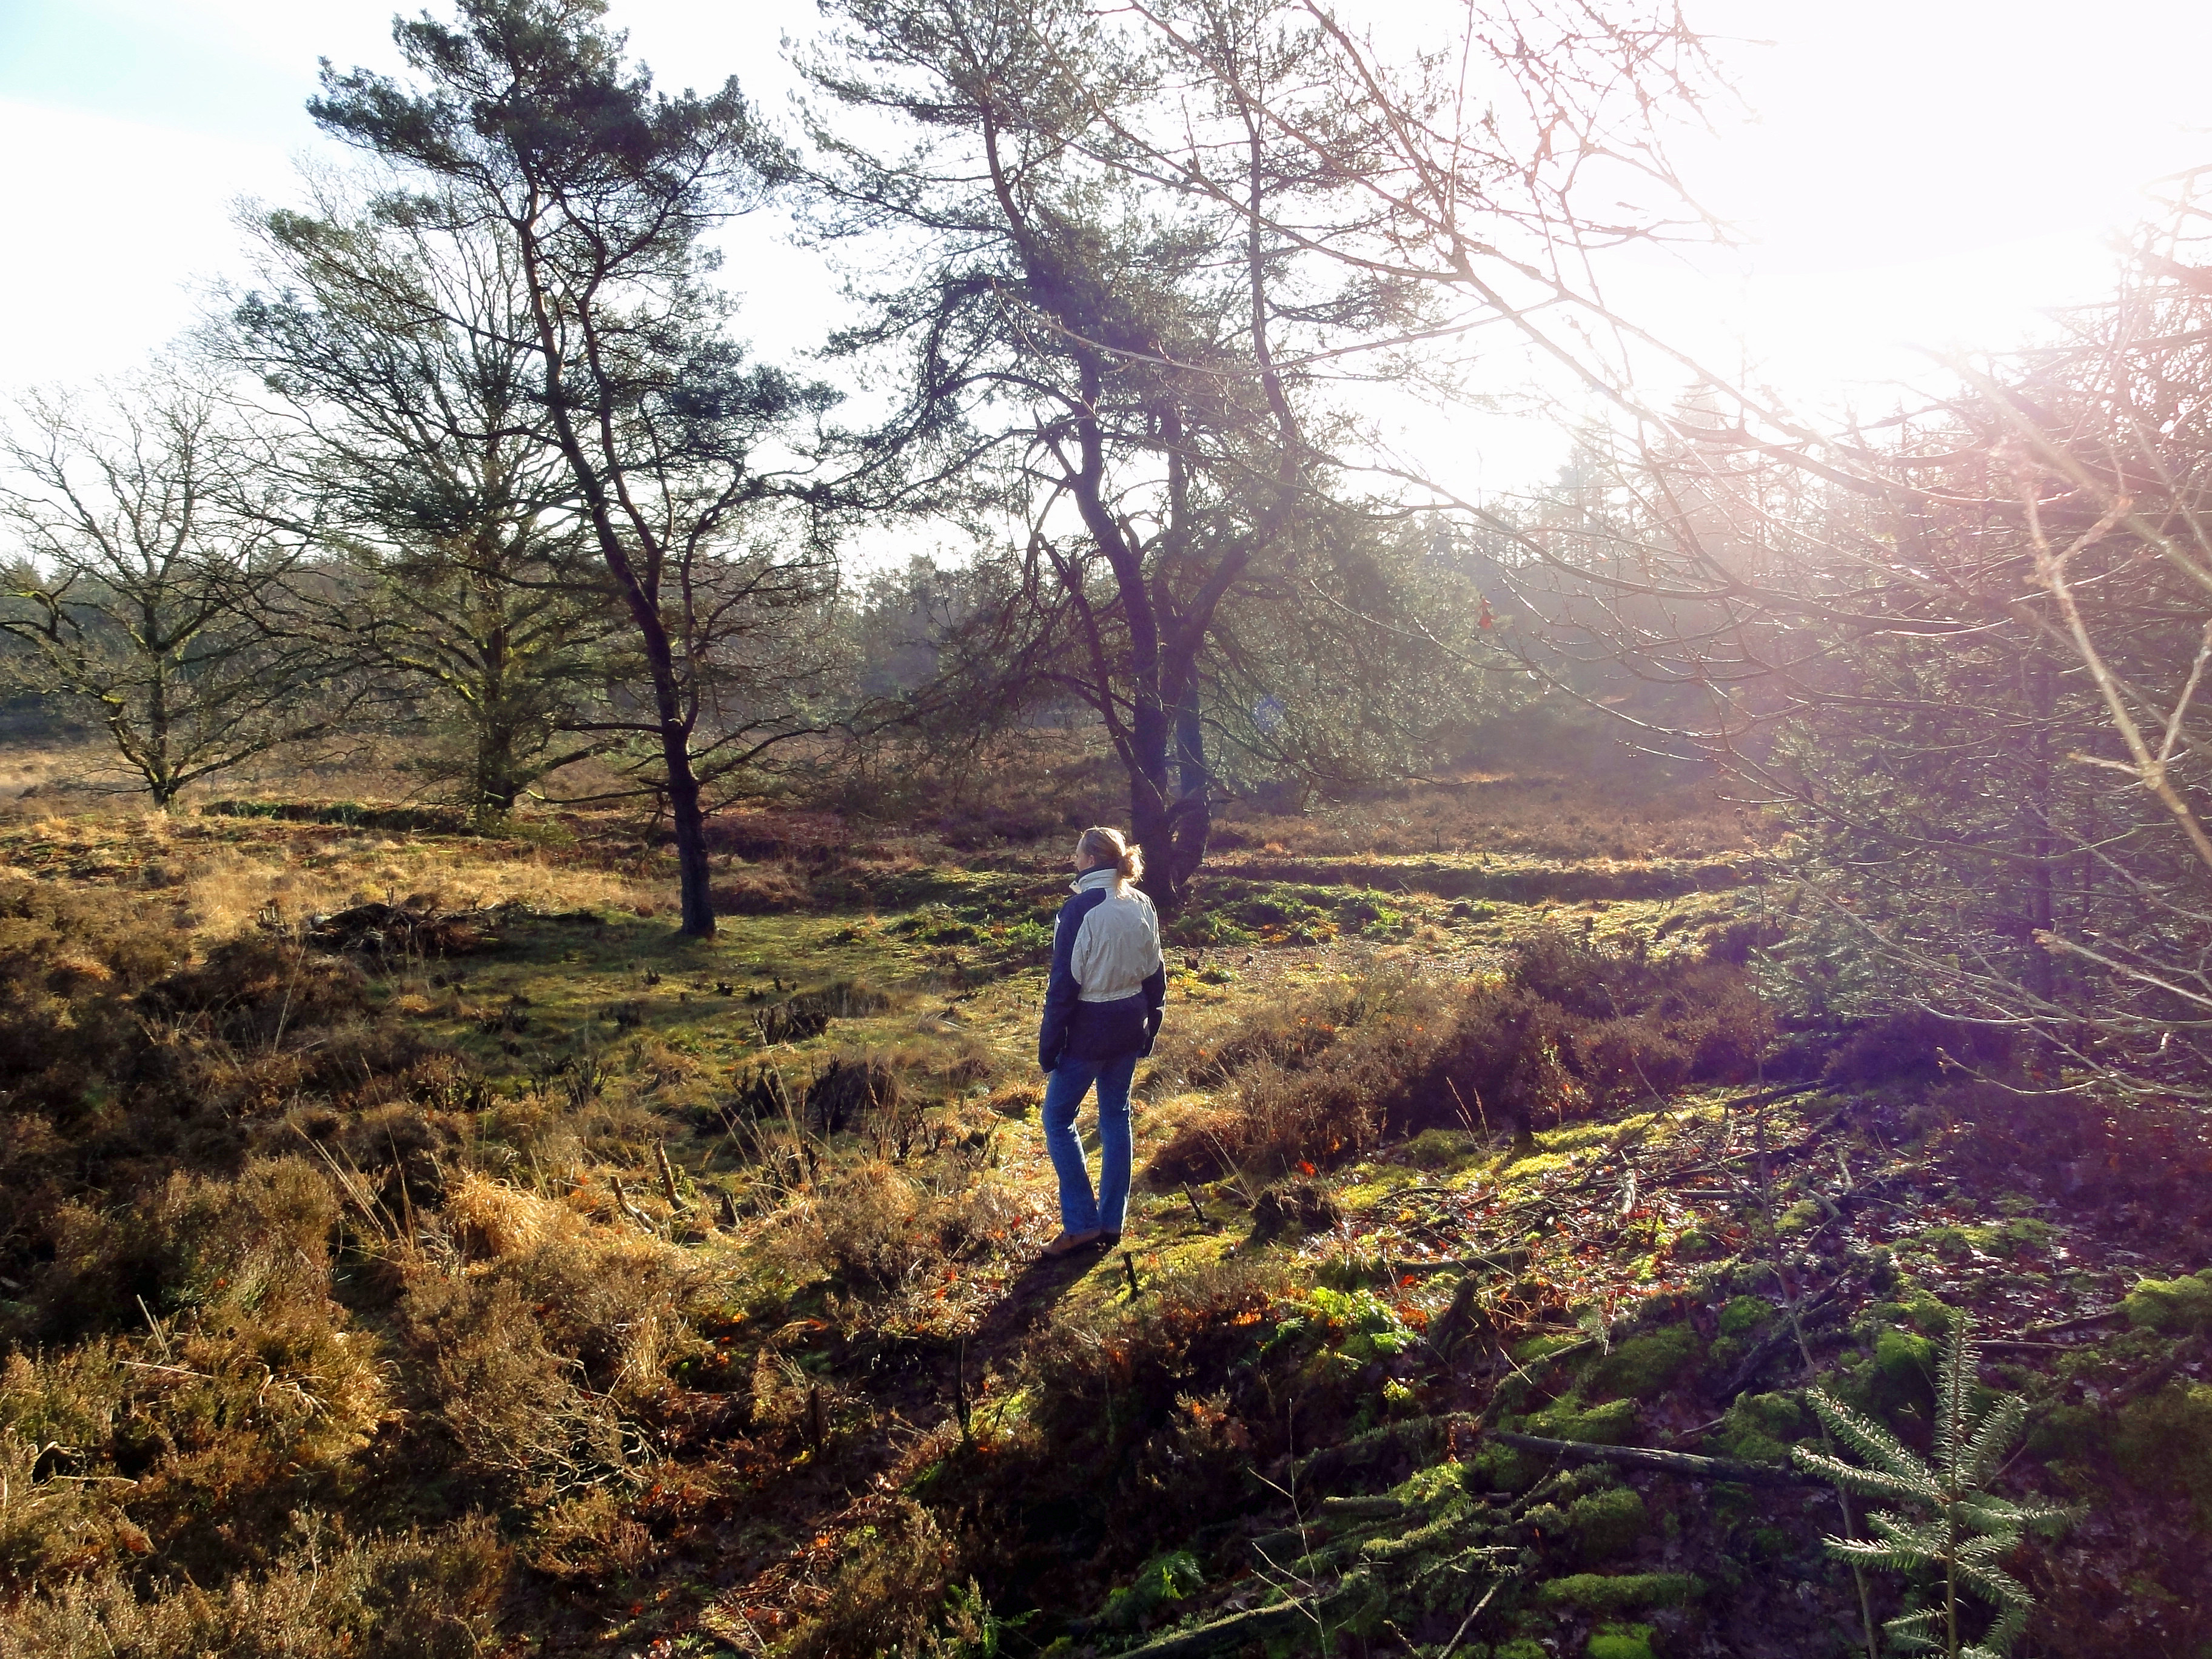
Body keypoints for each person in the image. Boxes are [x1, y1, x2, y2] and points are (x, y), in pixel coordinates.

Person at [1036, 825, 1166, 1256]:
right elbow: (1156, 971)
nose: (1074, 861)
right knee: (1115, 1116)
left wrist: (1049, 1044)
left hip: (1089, 1028)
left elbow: (1063, 985)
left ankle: (1081, 1224)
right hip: (1131, 1021)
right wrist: (1153, 1021)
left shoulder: (1079, 909)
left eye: (1077, 854)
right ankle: (1112, 1223)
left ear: (1090, 860)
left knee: (1057, 1117)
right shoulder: (1142, 903)